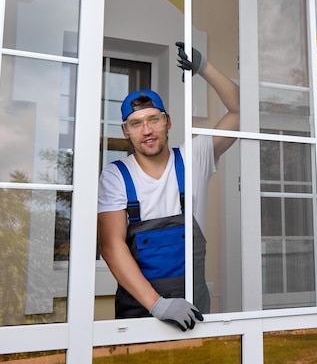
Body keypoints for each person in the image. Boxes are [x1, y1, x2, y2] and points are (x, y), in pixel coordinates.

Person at [97, 42, 239, 331]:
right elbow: (111, 246)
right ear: (125, 131)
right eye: (135, 124)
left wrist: (204, 67)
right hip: (138, 314)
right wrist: (157, 304)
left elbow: (240, 112)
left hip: (194, 314)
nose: (146, 130)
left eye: (153, 119)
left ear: (168, 122)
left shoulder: (194, 156)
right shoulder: (116, 176)